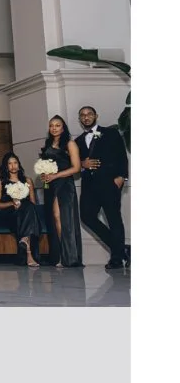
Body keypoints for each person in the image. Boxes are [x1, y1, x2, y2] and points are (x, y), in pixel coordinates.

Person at [75, 105, 128, 270]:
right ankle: (121, 249)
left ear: (96, 116)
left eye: (89, 114)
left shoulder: (111, 133)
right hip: (89, 186)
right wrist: (82, 164)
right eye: (82, 115)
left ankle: (117, 259)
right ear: (80, 119)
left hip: (109, 183)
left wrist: (121, 177)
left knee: (114, 219)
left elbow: (121, 155)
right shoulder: (77, 142)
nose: (86, 117)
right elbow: (75, 164)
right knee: (86, 216)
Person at [38, 115, 83, 268]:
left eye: (58, 125)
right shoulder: (48, 144)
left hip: (64, 184)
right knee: (53, 219)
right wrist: (44, 174)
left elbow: (76, 168)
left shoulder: (70, 144)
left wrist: (55, 175)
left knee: (61, 217)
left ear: (63, 128)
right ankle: (58, 256)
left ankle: (68, 256)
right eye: (52, 125)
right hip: (50, 185)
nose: (54, 128)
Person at [0, 153, 43, 268]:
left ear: (19, 165)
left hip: (25, 213)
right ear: (6, 167)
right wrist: (12, 202)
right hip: (10, 213)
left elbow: (33, 202)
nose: (13, 166)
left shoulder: (28, 181)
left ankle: (26, 245)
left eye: (15, 163)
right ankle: (28, 251)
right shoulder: (2, 182)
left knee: (28, 206)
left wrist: (22, 203)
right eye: (9, 164)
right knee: (27, 211)